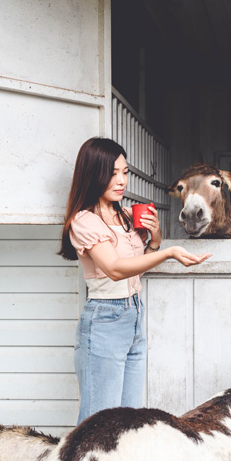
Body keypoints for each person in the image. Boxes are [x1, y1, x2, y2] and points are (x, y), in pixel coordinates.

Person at [58, 137, 211, 423]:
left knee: (128, 422)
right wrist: (168, 253)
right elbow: (115, 269)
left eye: (124, 172)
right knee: (98, 425)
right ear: (93, 175)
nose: (121, 181)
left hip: (133, 315)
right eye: (112, 173)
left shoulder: (127, 216)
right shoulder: (84, 222)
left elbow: (132, 271)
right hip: (104, 321)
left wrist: (154, 241)